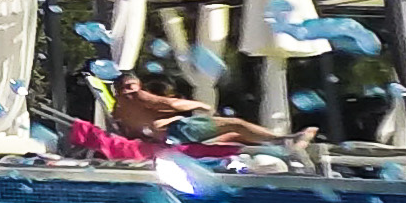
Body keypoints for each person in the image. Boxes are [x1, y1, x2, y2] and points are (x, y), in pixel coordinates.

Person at [106, 74, 299, 156]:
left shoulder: (118, 107)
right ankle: (283, 141)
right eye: (130, 86)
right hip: (178, 132)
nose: (130, 90)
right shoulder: (137, 95)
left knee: (233, 136)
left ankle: (277, 148)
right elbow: (172, 104)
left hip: (164, 138)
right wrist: (201, 104)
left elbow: (143, 126)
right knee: (236, 124)